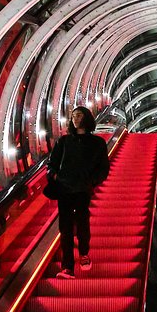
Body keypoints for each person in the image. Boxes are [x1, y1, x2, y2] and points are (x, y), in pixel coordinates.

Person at [47, 106, 110, 278]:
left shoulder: (97, 143)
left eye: (79, 115)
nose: (75, 118)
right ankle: (67, 267)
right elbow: (52, 163)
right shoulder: (64, 141)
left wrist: (92, 181)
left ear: (87, 118)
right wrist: (53, 175)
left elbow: (103, 169)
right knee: (65, 228)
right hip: (64, 189)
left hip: (83, 189)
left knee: (82, 222)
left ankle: (83, 254)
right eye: (73, 116)